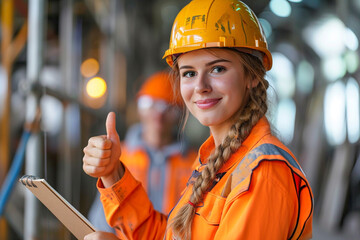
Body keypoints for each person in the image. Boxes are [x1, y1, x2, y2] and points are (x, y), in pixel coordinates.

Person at [82, 0, 314, 239]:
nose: (201, 86)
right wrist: (113, 175)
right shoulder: (216, 161)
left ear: (252, 76)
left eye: (218, 69)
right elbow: (167, 236)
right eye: (189, 73)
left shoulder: (262, 173)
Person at [87, 71, 197, 232]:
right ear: (138, 108)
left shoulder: (197, 163)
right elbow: (100, 218)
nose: (158, 115)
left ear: (180, 115)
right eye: (150, 104)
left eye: (168, 107)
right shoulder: (118, 156)